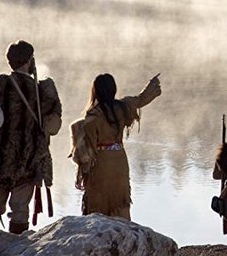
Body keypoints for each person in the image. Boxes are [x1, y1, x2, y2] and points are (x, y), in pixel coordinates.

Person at [0, 40, 62, 234]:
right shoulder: (41, 91)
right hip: (28, 161)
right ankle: (16, 250)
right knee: (20, 212)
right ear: (30, 61)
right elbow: (54, 127)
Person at [69, 72, 163, 219]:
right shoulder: (123, 106)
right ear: (113, 89)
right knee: (119, 201)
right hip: (120, 161)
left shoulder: (93, 116)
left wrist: (82, 171)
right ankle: (122, 229)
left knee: (98, 202)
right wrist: (152, 85)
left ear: (95, 92)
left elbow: (88, 152)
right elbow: (141, 99)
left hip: (101, 163)